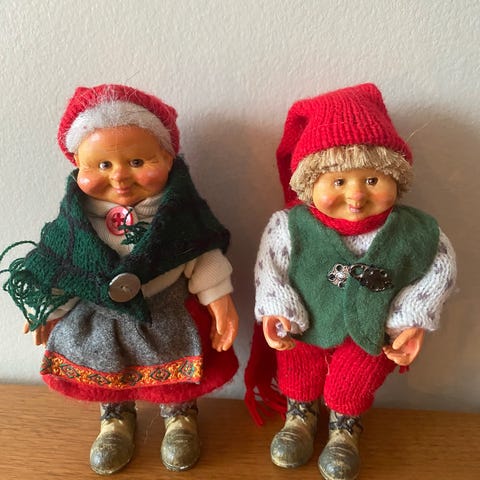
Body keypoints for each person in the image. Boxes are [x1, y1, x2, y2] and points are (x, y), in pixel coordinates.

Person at [1, 84, 239, 475]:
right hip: (99, 322)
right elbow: (61, 268)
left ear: (168, 157)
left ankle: (179, 416)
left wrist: (219, 299)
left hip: (166, 317)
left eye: (138, 161)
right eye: (101, 166)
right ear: (77, 165)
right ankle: (115, 418)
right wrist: (46, 308)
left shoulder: (182, 217)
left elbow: (202, 258)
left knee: (174, 378)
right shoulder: (74, 225)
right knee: (108, 376)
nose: (120, 177)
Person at [245, 83, 456, 480]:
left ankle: (344, 429)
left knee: (354, 380)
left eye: (372, 180)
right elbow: (270, 269)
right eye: (338, 182)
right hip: (303, 325)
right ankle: (299, 416)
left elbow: (438, 270)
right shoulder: (289, 226)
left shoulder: (416, 231)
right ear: (310, 184)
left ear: (395, 177)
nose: (356, 195)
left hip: (371, 331)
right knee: (297, 370)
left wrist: (410, 319)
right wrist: (276, 309)